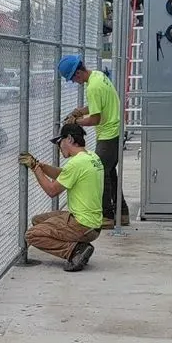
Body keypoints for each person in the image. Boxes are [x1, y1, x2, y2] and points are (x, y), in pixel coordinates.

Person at [57, 55, 130, 227]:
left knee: (100, 173)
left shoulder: (93, 87)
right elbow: (98, 105)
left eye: (73, 79)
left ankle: (108, 215)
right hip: (115, 131)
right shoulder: (98, 76)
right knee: (110, 173)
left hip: (109, 134)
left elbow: (95, 119)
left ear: (77, 74)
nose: (75, 83)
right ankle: (122, 213)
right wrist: (80, 111)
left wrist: (76, 121)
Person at [19, 123, 104, 271]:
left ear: (69, 139)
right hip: (92, 222)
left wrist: (35, 169)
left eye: (60, 143)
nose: (59, 147)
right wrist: (40, 165)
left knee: (32, 235)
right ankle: (80, 246)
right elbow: (63, 174)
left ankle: (74, 251)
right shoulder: (91, 157)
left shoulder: (76, 163)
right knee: (38, 221)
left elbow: (52, 191)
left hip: (83, 224)